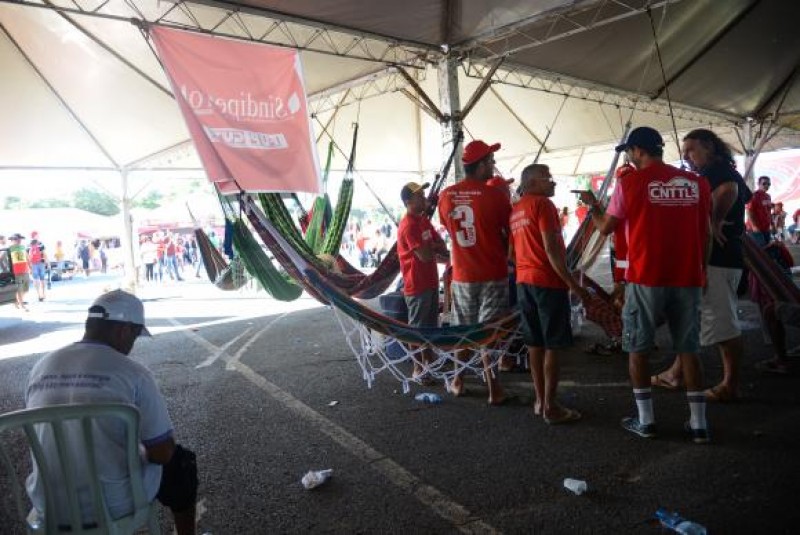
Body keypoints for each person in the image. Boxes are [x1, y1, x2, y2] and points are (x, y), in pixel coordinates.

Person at [577, 126, 712, 443]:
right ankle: (698, 424)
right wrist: (701, 272)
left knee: (637, 349)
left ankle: (647, 420)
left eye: (630, 151)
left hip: (645, 278)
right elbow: (705, 233)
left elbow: (606, 228)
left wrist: (594, 206)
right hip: (688, 277)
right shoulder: (697, 183)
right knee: (689, 350)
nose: (629, 157)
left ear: (638, 150)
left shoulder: (629, 183)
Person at [25, 290, 198, 534]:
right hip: (109, 504)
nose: (132, 345)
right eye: (135, 336)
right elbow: (162, 453)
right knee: (180, 463)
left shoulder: (41, 366)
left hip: (48, 502)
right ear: (123, 331)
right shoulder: (133, 373)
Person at [650, 129, 751, 403]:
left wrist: (715, 218)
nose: (687, 157)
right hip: (713, 258)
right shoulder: (715, 171)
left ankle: (730, 385)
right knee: (695, 318)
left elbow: (732, 189)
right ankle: (676, 373)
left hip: (717, 259)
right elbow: (747, 195)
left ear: (709, 147)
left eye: (691, 150)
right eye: (684, 152)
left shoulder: (718, 171)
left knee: (722, 323)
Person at [511, 163, 590, 424]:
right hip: (547, 282)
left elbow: (511, 254)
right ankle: (551, 406)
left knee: (534, 344)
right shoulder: (543, 206)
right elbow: (553, 251)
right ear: (532, 182)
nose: (553, 182)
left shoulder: (516, 210)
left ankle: (540, 400)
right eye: (548, 178)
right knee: (553, 345)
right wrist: (574, 285)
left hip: (524, 282)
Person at [438, 139, 512, 405]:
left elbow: (448, 227)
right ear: (480, 166)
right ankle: (494, 389)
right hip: (492, 273)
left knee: (464, 332)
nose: (493, 166)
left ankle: (458, 380)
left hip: (463, 276)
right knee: (488, 332)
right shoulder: (496, 197)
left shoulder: (446, 196)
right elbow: (509, 232)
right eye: (490, 161)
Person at [397, 182, 449, 382]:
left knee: (429, 328)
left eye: (424, 194)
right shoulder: (409, 225)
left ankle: (429, 364)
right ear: (408, 202)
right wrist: (433, 246)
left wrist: (432, 246)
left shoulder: (423, 221)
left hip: (430, 282)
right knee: (416, 330)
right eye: (419, 195)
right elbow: (427, 255)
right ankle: (418, 368)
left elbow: (441, 247)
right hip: (416, 285)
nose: (424, 197)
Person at [747, 175, 773, 245]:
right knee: (760, 250)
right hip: (755, 230)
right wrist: (754, 226)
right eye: (764, 183)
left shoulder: (768, 196)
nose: (766, 185)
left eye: (768, 184)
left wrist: (772, 224)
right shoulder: (754, 196)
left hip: (766, 228)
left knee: (767, 248)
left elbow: (769, 212)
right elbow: (749, 211)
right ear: (758, 184)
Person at [9, 233, 31, 310]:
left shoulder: (23, 247)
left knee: (26, 288)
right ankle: (22, 304)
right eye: (16, 239)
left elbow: (27, 257)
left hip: (25, 270)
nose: (19, 240)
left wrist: (30, 268)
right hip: (16, 272)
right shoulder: (10, 248)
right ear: (12, 240)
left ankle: (16, 299)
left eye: (19, 239)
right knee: (20, 288)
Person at [28, 237, 48, 302]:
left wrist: (29, 267)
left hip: (33, 265)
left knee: (35, 279)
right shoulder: (41, 246)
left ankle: (39, 295)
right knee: (42, 279)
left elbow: (28, 258)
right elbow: (45, 254)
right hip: (41, 264)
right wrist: (47, 262)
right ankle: (44, 294)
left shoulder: (28, 247)